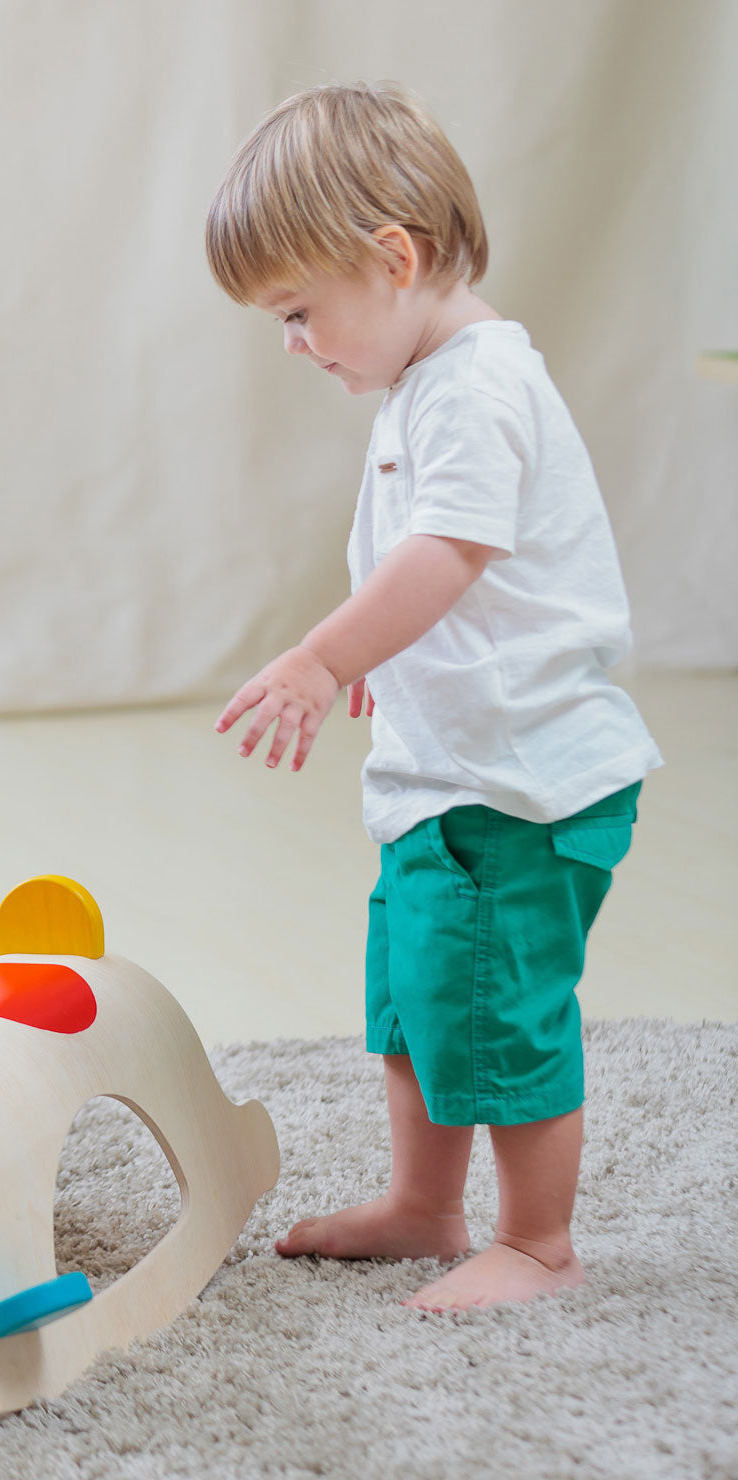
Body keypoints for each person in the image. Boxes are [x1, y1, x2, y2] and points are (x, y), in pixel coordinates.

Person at [206, 81, 663, 1311]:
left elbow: (450, 553)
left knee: (503, 1014)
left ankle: (540, 1241)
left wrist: (327, 657)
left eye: (299, 312)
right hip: (447, 777)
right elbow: (448, 581)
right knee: (419, 995)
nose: (296, 344)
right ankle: (425, 1205)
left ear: (394, 257)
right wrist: (398, 667)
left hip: (519, 789)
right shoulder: (427, 382)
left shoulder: (474, 386)